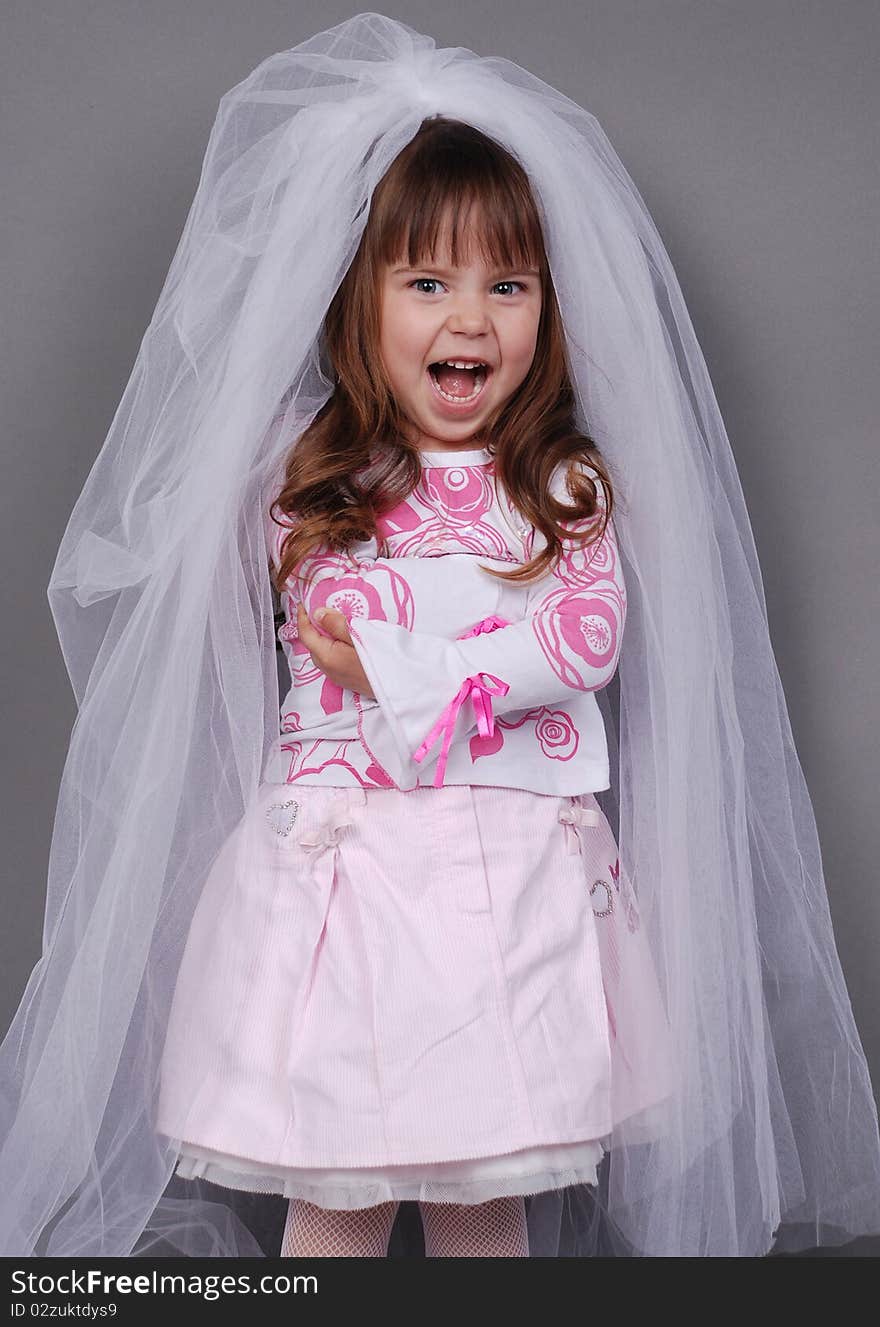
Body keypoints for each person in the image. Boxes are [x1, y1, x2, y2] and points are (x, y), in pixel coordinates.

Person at [2, 12, 879, 1260]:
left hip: (505, 890)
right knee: (337, 1194)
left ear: (547, 309)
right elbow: (331, 622)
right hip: (350, 889)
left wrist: (417, 658)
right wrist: (448, 640)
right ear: (357, 300)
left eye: (505, 285)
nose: (470, 316)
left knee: (487, 1196)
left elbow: (581, 639)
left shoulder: (564, 489)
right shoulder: (306, 485)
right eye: (426, 282)